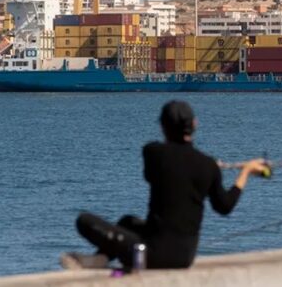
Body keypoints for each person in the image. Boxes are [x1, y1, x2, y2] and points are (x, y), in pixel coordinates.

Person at [61, 100, 268, 270]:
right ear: (195, 124)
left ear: (162, 126)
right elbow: (225, 206)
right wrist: (246, 171)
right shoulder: (206, 165)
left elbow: (155, 168)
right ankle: (99, 261)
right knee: (127, 222)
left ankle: (102, 261)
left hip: (153, 254)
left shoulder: (153, 153)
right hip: (185, 257)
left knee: (84, 220)